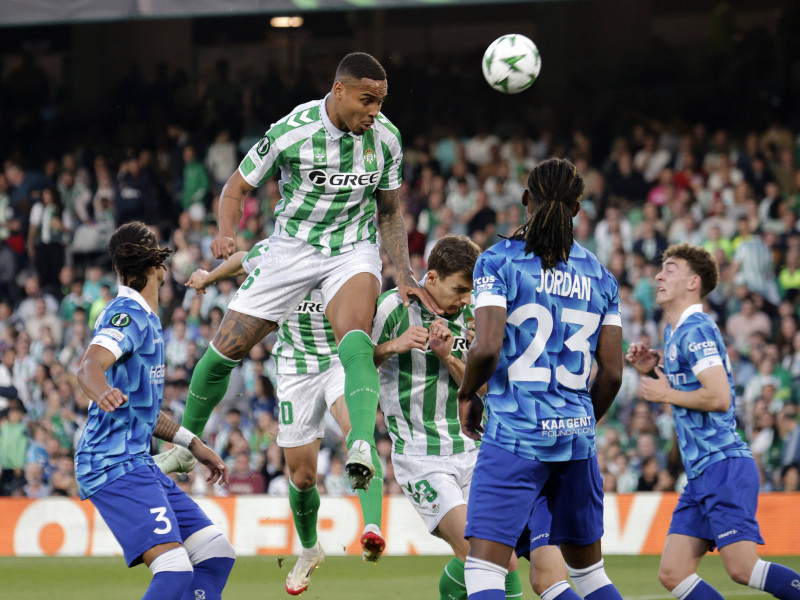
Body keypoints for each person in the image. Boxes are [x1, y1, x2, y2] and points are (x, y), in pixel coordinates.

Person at [177, 51, 439, 493]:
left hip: (353, 248)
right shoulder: (291, 132)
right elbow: (235, 188)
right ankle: (185, 444)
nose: (375, 112)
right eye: (367, 100)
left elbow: (390, 212)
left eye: (381, 102)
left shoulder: (387, 139)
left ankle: (361, 442)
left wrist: (405, 272)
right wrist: (225, 233)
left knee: (354, 337)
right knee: (222, 352)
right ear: (339, 91)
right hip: (291, 249)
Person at [157, 238, 385, 595]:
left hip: (340, 361)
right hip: (295, 369)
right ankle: (310, 549)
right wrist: (209, 277)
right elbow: (241, 259)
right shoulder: (283, 248)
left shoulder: (350, 253)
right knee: (303, 477)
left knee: (358, 436)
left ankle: (373, 527)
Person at [457, 158, 625, 600]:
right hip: (576, 441)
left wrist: (467, 393)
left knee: (484, 573)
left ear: (526, 199)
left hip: (515, 436)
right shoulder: (601, 277)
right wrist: (583, 421)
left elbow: (488, 347)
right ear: (577, 208)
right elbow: (612, 373)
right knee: (590, 577)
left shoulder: (497, 261)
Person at [374, 233, 569, 600]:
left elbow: (482, 390)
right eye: (459, 289)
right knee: (493, 560)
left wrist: (448, 357)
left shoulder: (474, 314)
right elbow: (354, 365)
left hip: (473, 451)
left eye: (470, 290)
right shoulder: (391, 308)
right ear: (431, 278)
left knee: (499, 559)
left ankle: (448, 593)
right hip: (421, 456)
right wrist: (392, 346)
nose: (465, 298)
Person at [626, 242, 800, 600]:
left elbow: (718, 397)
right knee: (673, 572)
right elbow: (692, 392)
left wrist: (665, 394)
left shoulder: (697, 329)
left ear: (693, 282)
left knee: (742, 568)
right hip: (701, 473)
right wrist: (654, 370)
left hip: (723, 465)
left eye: (670, 268)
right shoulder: (674, 334)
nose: (659, 275)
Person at [74, 221, 235, 600]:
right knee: (175, 571)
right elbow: (88, 366)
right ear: (158, 267)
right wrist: (101, 392)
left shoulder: (147, 318)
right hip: (111, 464)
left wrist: (192, 443)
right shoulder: (126, 316)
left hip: (137, 462)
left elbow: (143, 412)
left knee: (215, 554)